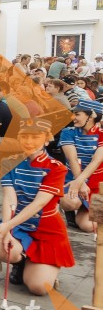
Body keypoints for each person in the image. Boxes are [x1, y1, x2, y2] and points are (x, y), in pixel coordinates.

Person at [0, 118, 74, 296]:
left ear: (47, 139)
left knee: (38, 288)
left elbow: (39, 203)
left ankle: (45, 268)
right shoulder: (8, 162)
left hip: (47, 229)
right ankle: (20, 262)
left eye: (35, 136)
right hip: (19, 224)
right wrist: (7, 229)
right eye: (24, 136)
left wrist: (7, 226)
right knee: (0, 246)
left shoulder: (56, 168)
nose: (28, 141)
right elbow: (9, 198)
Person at [58, 99, 103, 233]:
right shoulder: (68, 131)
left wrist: (81, 182)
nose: (73, 117)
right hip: (72, 179)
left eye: (77, 114)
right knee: (71, 203)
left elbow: (96, 161)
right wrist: (80, 182)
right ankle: (67, 208)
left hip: (96, 184)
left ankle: (82, 211)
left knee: (88, 226)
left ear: (92, 116)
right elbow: (72, 159)